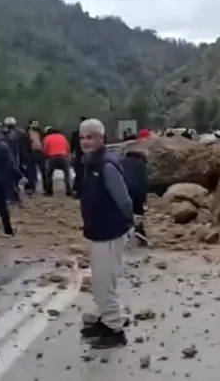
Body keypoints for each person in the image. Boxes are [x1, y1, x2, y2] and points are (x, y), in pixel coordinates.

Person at [77, 119, 132, 349]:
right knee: (101, 281)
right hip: (99, 231)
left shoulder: (106, 166)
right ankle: (107, 318)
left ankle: (114, 329)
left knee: (102, 282)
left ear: (102, 138)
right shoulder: (91, 163)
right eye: (82, 138)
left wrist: (129, 222)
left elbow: (124, 200)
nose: (85, 142)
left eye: (90, 137)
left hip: (109, 232)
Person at [120, 151, 149, 247]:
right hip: (137, 191)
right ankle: (140, 235)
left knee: (123, 214)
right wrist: (144, 199)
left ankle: (124, 236)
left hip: (124, 190)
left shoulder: (122, 161)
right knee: (138, 213)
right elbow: (144, 181)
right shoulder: (141, 164)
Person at [2, 117, 26, 204]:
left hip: (7, 160)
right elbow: (23, 148)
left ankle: (12, 197)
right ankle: (14, 197)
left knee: (9, 179)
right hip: (16, 159)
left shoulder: (2, 135)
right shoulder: (20, 133)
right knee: (14, 178)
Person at [42, 127, 73, 196]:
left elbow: (44, 149)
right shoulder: (62, 137)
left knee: (49, 175)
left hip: (52, 158)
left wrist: (47, 155)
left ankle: (49, 191)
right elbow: (68, 148)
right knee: (67, 174)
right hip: (63, 157)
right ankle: (69, 190)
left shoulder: (47, 138)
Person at [25, 119, 46, 195]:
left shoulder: (40, 132)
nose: (36, 125)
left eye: (37, 123)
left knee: (43, 170)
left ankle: (46, 187)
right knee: (31, 171)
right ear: (30, 124)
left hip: (40, 152)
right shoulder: (27, 132)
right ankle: (31, 187)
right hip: (31, 152)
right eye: (34, 123)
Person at [70, 116, 87, 198]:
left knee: (80, 173)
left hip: (81, 156)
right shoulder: (77, 134)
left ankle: (78, 191)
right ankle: (79, 191)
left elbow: (72, 146)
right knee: (81, 173)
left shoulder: (76, 134)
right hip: (81, 156)